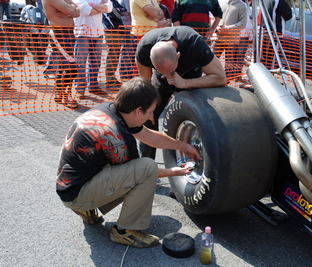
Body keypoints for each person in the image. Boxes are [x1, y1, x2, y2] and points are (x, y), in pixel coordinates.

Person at [56, 77, 202, 248]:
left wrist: (183, 146)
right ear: (138, 110)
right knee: (146, 167)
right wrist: (175, 171)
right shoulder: (118, 139)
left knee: (131, 167)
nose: (153, 119)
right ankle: (125, 230)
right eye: (150, 112)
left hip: (72, 184)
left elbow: (149, 135)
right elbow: (142, 173)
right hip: (77, 194)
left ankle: (87, 209)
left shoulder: (110, 110)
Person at [135, 26, 226, 159]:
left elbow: (220, 77)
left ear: (178, 55)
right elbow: (145, 86)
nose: (168, 76)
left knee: (201, 117)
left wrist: (184, 83)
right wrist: (148, 108)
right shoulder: (144, 47)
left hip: (191, 79)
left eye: (171, 71)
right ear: (150, 58)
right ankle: (148, 166)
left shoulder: (194, 43)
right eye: (164, 72)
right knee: (148, 117)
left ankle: (203, 157)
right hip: (160, 84)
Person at [42, 0, 80, 108]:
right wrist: (71, 10)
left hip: (67, 34)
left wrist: (71, 10)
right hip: (60, 34)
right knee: (72, 66)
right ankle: (65, 96)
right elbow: (72, 11)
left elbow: (78, 13)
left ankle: (60, 92)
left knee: (64, 66)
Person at [73, 0, 112, 99]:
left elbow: (109, 8)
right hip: (82, 33)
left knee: (96, 62)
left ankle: (93, 85)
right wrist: (101, 8)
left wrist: (92, 6)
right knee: (80, 63)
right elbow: (87, 11)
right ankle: (80, 89)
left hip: (98, 33)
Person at [214, 0, 247, 78]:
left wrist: (227, 29)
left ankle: (228, 82)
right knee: (211, 58)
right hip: (218, 37)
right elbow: (213, 17)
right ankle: (210, 77)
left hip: (231, 40)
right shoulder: (220, 2)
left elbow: (242, 23)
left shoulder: (242, 5)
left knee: (229, 63)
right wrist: (216, 27)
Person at [102, 0, 127, 89]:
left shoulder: (114, 1)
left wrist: (119, 10)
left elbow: (124, 10)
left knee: (115, 56)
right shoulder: (105, 1)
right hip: (111, 30)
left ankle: (112, 79)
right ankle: (110, 81)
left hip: (117, 31)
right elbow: (117, 14)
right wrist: (118, 10)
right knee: (112, 56)